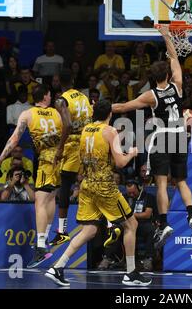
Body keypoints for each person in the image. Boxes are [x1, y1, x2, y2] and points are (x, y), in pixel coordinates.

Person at [112, 25, 192, 248]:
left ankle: (164, 223)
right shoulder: (178, 86)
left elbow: (124, 106)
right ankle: (191, 215)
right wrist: (165, 35)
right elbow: (173, 56)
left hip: (162, 136)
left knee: (162, 183)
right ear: (167, 75)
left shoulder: (150, 95)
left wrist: (100, 108)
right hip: (180, 135)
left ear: (152, 78)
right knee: (181, 181)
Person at [45, 99, 151, 287]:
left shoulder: (86, 129)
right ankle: (131, 273)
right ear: (110, 114)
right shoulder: (110, 132)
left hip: (86, 184)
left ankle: (57, 267)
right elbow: (120, 163)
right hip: (104, 186)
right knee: (131, 224)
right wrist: (132, 153)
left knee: (90, 230)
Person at [0, 84, 62, 268]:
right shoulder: (57, 113)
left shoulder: (28, 114)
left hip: (46, 160)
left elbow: (13, 139)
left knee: (40, 201)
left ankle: (40, 247)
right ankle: (45, 239)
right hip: (60, 161)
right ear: (46, 96)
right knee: (51, 197)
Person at [49, 71, 94, 246]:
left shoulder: (61, 100)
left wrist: (60, 148)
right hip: (88, 143)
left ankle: (62, 231)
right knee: (92, 183)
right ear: (73, 80)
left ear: (59, 82)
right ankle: (110, 223)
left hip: (73, 145)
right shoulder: (83, 97)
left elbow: (67, 124)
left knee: (65, 186)